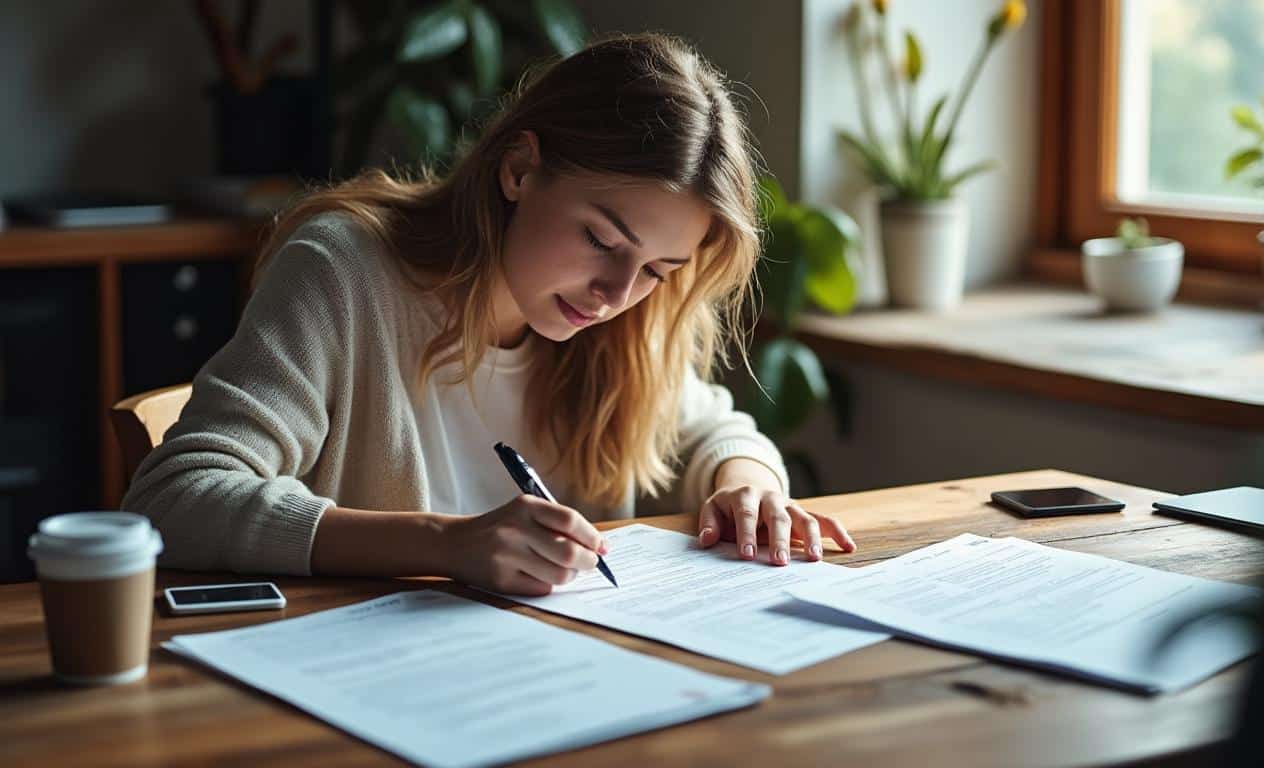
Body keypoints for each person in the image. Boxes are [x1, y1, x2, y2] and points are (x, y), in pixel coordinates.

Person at [124, 33, 856, 595]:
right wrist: (445, 544)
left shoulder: (627, 320)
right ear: (518, 169)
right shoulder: (345, 270)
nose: (617, 293)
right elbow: (175, 496)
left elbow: (713, 429)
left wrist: (747, 483)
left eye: (659, 270)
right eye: (600, 239)